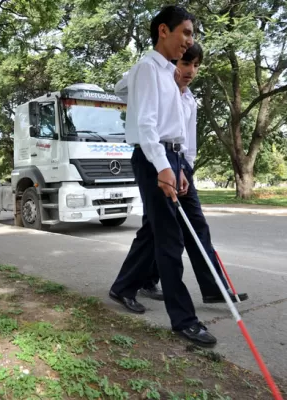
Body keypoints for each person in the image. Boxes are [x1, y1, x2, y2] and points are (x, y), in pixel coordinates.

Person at [108, 5, 218, 347]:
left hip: (170, 157)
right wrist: (163, 166)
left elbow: (175, 129)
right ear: (163, 31)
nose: (190, 41)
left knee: (159, 233)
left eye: (192, 34)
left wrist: (180, 166)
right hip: (152, 156)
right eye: (185, 32)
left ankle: (123, 287)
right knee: (169, 240)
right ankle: (184, 320)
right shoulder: (146, 69)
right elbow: (146, 125)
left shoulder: (170, 74)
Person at [138, 44, 248, 305]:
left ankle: (213, 288)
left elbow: (189, 139)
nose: (190, 70)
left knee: (193, 226)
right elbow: (148, 126)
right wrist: (165, 165)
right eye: (185, 63)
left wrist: (187, 167)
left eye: (196, 65)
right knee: (161, 230)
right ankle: (137, 283)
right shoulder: (158, 84)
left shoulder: (189, 99)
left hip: (180, 165)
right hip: (158, 161)